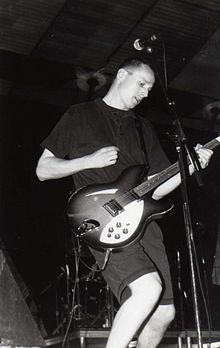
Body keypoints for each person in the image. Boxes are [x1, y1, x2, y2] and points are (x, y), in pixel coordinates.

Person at [36, 58, 213, 348]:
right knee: (146, 291)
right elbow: (43, 170)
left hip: (144, 222)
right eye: (141, 84)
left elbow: (156, 189)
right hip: (103, 221)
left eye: (150, 89)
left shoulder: (142, 128)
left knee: (164, 312)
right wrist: (87, 161)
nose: (145, 93)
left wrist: (189, 166)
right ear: (121, 75)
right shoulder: (79, 115)